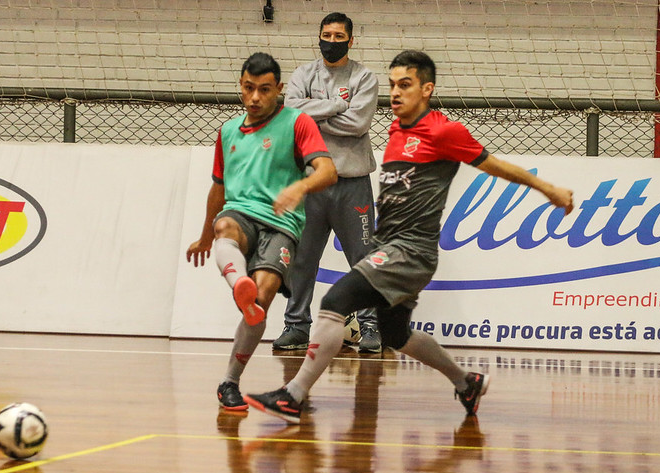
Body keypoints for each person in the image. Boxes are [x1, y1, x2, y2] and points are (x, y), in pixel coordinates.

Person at [244, 50, 574, 424]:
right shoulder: (397, 130)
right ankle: (466, 381)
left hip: (410, 252)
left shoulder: (445, 131)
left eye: (405, 85)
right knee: (396, 333)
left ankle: (293, 395)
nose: (395, 93)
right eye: (392, 85)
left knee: (336, 301)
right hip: (391, 247)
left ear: (426, 89)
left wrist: (548, 189)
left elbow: (498, 166)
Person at [186, 52, 337, 411]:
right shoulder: (227, 131)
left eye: (264, 90)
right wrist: (206, 236)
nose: (255, 98)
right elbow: (218, 188)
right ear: (240, 86)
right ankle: (239, 284)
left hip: (283, 225)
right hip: (241, 214)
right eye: (249, 88)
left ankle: (230, 378)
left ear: (279, 90)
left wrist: (300, 187)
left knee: (261, 303)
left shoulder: (298, 123)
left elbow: (327, 171)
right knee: (225, 224)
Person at [272, 12, 382, 354]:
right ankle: (296, 326)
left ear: (351, 40)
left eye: (338, 36)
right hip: (310, 183)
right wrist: (336, 105)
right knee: (302, 259)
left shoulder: (364, 77)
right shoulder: (304, 74)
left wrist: (314, 117)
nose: (331, 42)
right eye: (326, 35)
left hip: (352, 184)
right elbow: (291, 112)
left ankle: (371, 328)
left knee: (363, 259)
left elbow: (358, 124)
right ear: (318, 36)